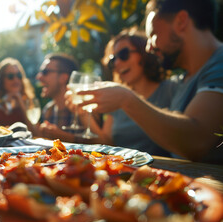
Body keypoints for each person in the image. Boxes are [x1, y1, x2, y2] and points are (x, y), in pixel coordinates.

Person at [76, 0, 223, 164]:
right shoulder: (183, 80)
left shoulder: (220, 63)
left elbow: (196, 142)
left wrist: (126, 99)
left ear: (181, 21)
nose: (149, 48)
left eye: (153, 34)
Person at [67, 28, 178, 156]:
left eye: (123, 54)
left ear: (144, 52)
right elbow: (106, 143)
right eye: (113, 59)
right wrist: (83, 113)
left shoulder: (170, 89)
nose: (118, 63)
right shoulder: (116, 97)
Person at [33, 53, 81, 142]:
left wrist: (63, 137)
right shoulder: (48, 110)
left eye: (45, 72)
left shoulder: (83, 109)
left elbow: (101, 144)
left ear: (63, 78)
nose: (39, 77)